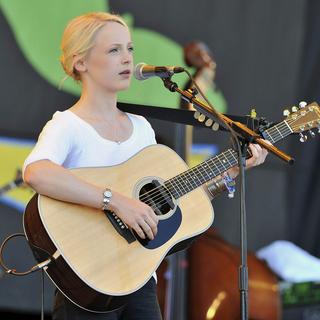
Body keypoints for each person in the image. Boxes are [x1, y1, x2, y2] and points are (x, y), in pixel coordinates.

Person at [23, 12, 268, 320]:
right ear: (80, 62)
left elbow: (177, 200)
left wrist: (231, 171)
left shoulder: (141, 128)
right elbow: (37, 172)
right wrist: (115, 201)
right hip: (90, 279)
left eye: (129, 49)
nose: (126, 58)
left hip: (139, 279)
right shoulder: (68, 125)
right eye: (114, 50)